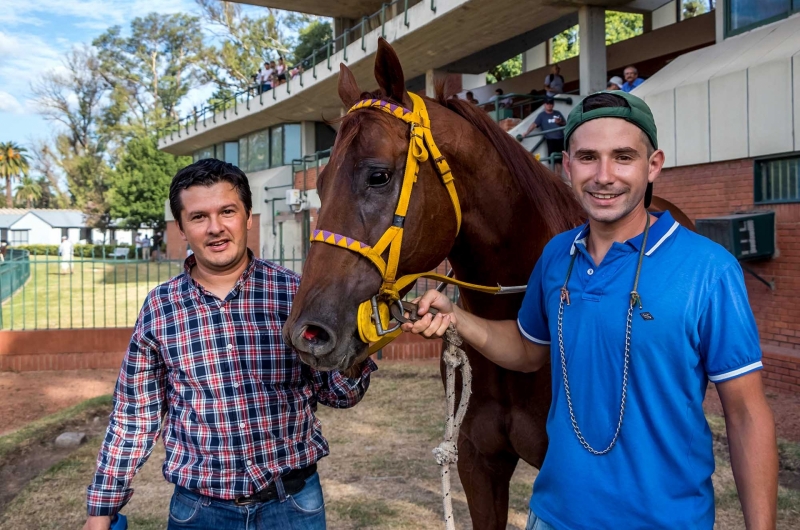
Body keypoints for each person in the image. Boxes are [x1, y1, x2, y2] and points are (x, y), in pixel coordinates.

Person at [403, 91, 778, 529]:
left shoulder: (710, 270)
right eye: (587, 157)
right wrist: (457, 317)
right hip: (552, 518)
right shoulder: (557, 256)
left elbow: (748, 415)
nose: (604, 176)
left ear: (652, 165)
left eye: (623, 157)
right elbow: (528, 350)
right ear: (567, 166)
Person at [83, 159, 376, 530]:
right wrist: (101, 509)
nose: (216, 228)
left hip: (293, 506)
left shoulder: (295, 293)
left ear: (247, 218)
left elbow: (340, 395)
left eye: (227, 211)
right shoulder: (161, 308)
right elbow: (134, 417)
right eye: (199, 217)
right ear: (183, 228)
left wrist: (360, 341)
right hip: (200, 512)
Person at [522, 96, 566, 173]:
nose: (549, 105)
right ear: (544, 105)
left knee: (559, 160)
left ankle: (558, 178)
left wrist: (560, 122)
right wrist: (526, 133)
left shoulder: (558, 113)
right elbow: (534, 125)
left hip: (560, 139)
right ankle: (554, 178)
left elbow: (565, 124)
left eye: (551, 103)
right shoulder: (541, 115)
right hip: (550, 140)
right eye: (548, 103)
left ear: (553, 104)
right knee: (551, 159)